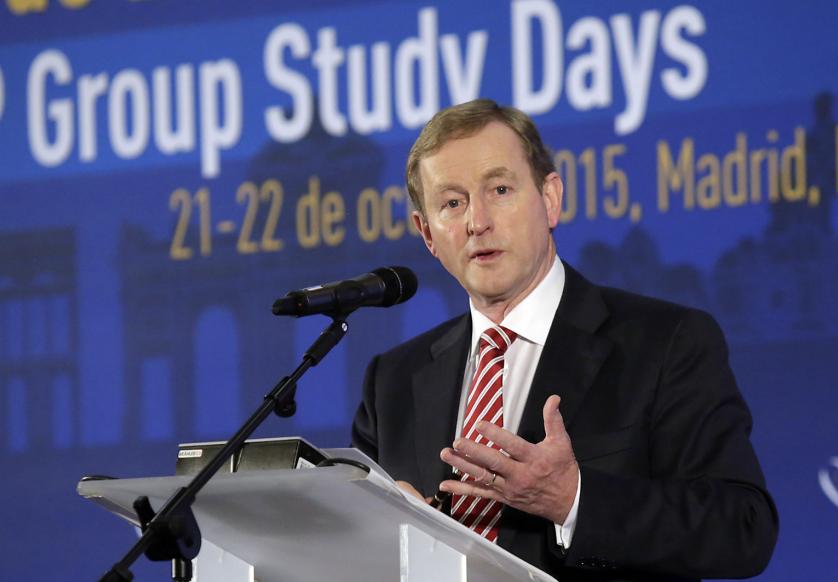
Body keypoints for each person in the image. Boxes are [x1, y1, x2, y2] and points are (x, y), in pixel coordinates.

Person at [351, 99, 778, 581]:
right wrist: (388, 535)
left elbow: (743, 527)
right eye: (452, 203)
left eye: (500, 190)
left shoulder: (665, 343)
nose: (477, 221)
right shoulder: (392, 382)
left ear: (549, 199)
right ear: (427, 233)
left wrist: (573, 499)